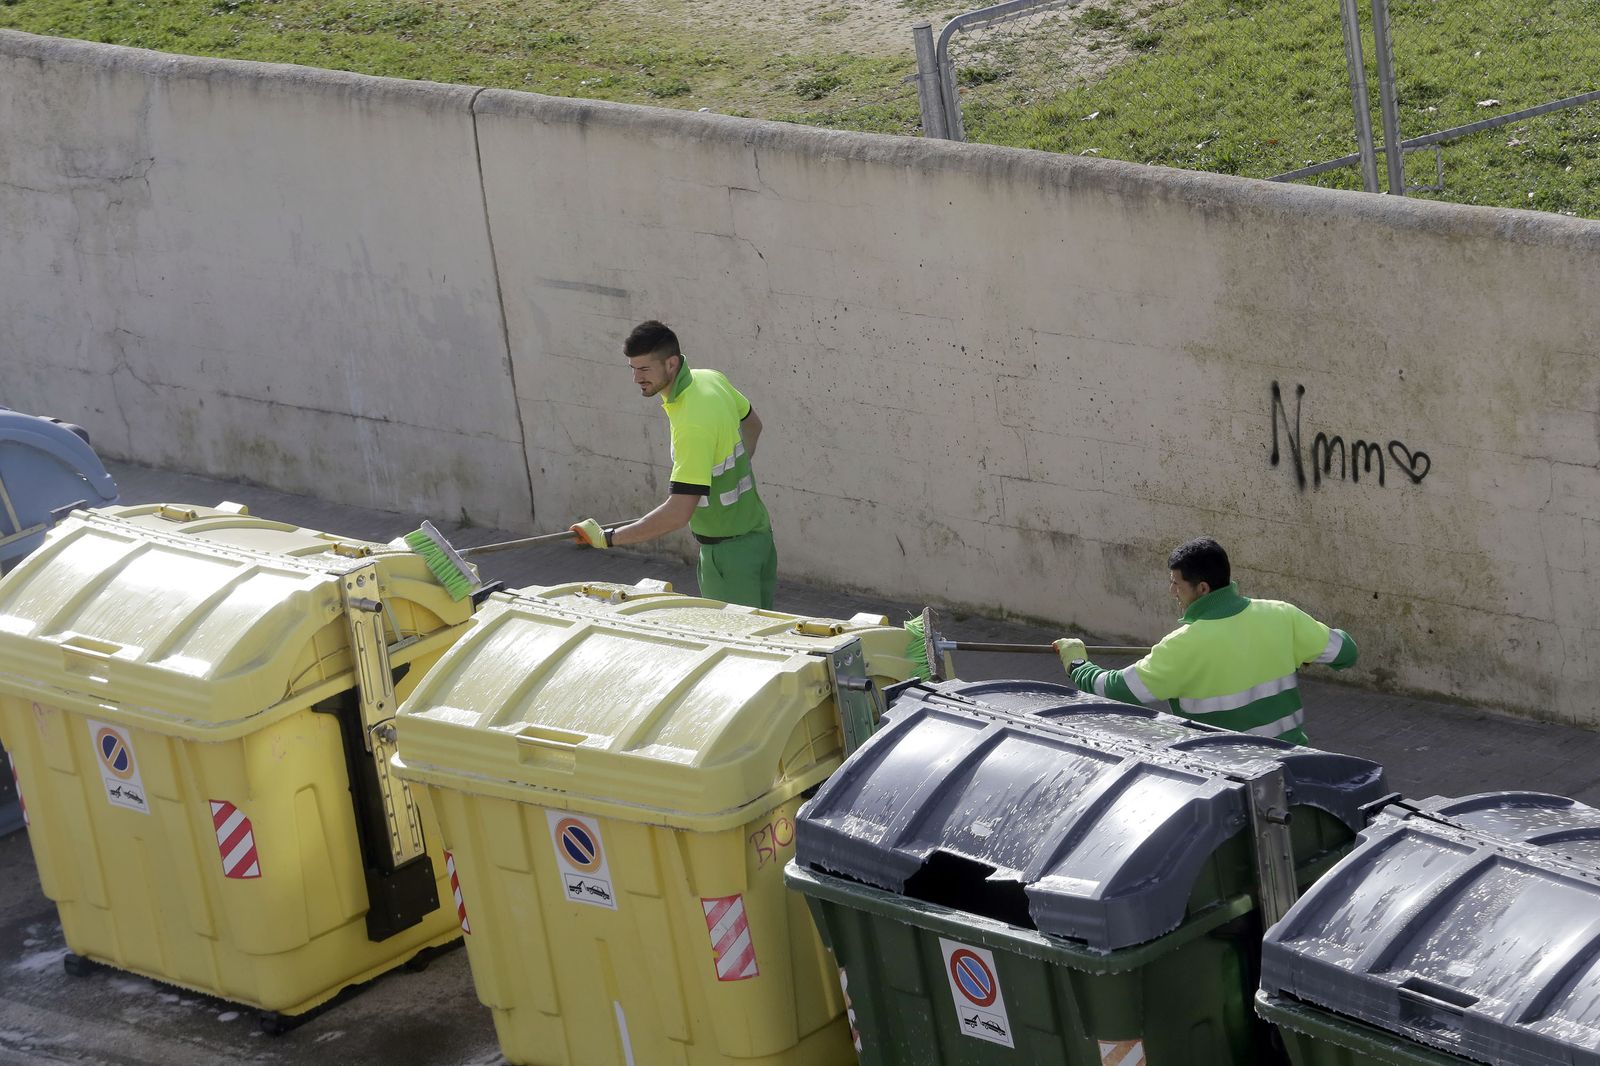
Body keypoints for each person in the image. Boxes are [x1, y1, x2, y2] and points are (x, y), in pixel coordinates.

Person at [1054, 536, 1357, 744]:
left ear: (1202, 589)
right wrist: (1305, 649)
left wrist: (1077, 663)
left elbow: (1116, 689)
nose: (1172, 592)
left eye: (1176, 584)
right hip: (1294, 765)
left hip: (1226, 777)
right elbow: (1347, 652)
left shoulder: (1182, 645)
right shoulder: (1282, 615)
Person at [569, 320, 777, 609]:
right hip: (759, 539)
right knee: (766, 640)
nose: (636, 378)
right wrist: (729, 476)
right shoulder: (710, 380)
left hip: (728, 559)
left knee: (738, 645)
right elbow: (753, 425)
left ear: (671, 364)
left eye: (644, 369)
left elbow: (678, 513)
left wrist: (607, 538)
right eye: (632, 368)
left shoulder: (691, 424)